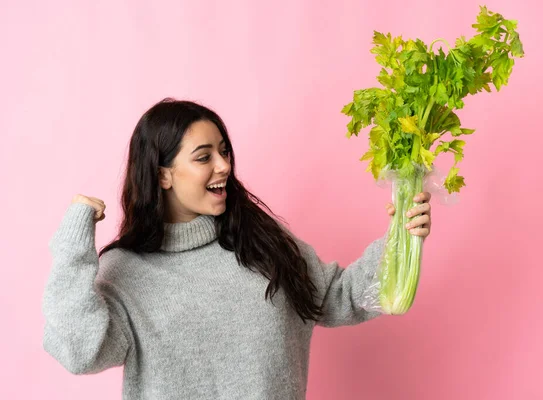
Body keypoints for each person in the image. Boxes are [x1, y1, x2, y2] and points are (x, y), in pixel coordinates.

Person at [41, 98, 432, 399]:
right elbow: (79, 352)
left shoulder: (261, 241)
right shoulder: (127, 272)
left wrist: (402, 238)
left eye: (224, 151)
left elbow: (337, 297)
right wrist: (74, 242)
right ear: (163, 174)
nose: (224, 165)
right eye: (204, 157)